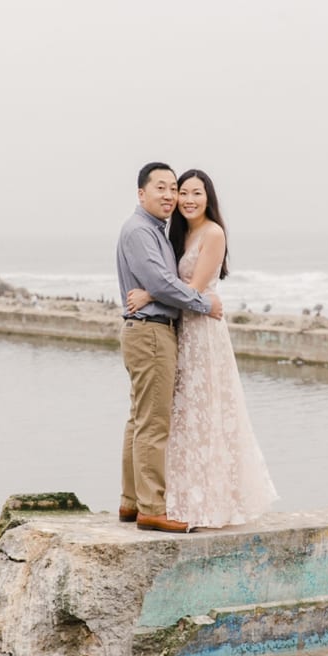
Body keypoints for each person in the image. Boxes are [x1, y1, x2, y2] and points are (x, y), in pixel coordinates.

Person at [126, 168, 278, 528]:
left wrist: (150, 292)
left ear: (209, 198)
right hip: (181, 329)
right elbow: (173, 282)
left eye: (196, 193)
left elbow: (192, 288)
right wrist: (160, 289)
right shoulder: (175, 234)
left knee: (207, 409)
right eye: (183, 192)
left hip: (203, 331)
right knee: (180, 414)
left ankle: (210, 501)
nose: (188, 199)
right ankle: (178, 497)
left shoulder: (213, 232)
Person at [116, 163, 223, 533]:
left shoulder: (156, 231)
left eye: (172, 188)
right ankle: (151, 508)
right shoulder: (140, 232)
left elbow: (161, 283)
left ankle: (131, 503)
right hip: (151, 334)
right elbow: (163, 283)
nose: (169, 195)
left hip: (149, 330)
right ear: (141, 193)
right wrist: (204, 304)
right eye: (160, 187)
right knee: (153, 423)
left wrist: (154, 290)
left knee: (140, 419)